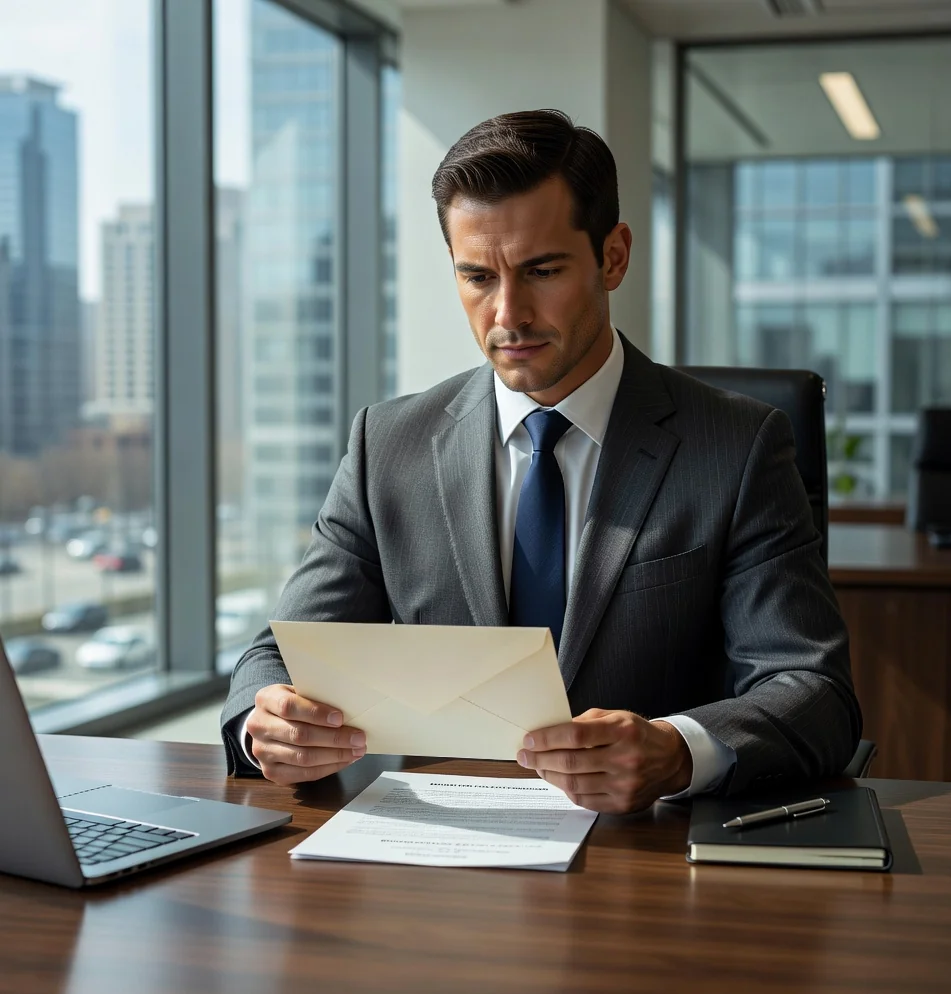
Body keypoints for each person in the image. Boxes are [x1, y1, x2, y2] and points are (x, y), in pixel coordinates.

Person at [221, 109, 860, 812]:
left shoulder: (735, 447)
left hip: (651, 861)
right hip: (439, 854)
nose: (508, 315)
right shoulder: (389, 445)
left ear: (613, 256)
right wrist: (268, 725)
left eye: (541, 270)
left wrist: (678, 751)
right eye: (477, 277)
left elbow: (813, 691)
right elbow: (277, 654)